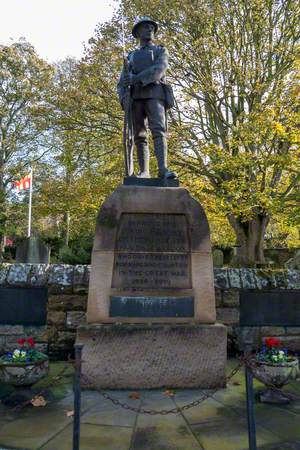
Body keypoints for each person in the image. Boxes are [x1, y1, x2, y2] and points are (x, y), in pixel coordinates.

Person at [117, 16, 176, 179]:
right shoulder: (130, 56)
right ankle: (144, 172)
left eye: (151, 27)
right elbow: (122, 82)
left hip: (155, 94)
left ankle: (163, 169)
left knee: (158, 131)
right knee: (139, 135)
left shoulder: (160, 51)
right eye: (145, 27)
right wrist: (123, 98)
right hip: (136, 98)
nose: (150, 29)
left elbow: (159, 69)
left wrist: (136, 78)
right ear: (137, 33)